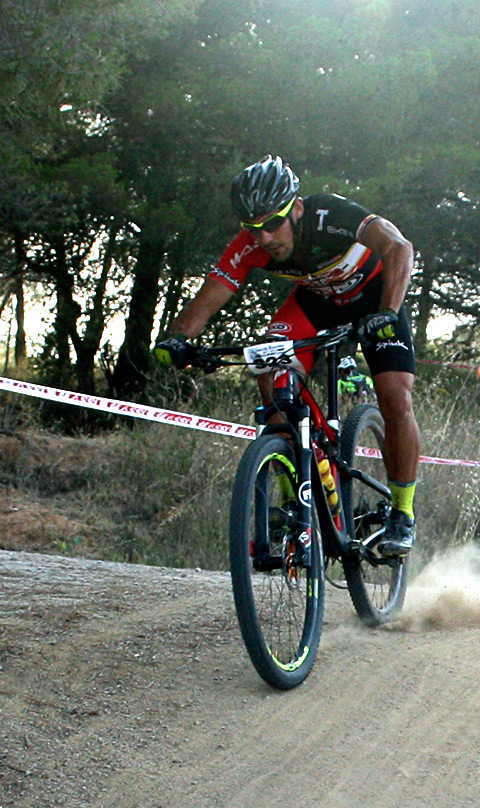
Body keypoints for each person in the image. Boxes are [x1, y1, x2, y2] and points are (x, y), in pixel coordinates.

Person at [154, 154, 420, 556]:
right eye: (252, 228)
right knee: (270, 366)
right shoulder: (251, 245)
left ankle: (402, 513)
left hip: (374, 298)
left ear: (296, 209)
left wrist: (387, 311)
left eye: (271, 224)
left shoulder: (331, 215)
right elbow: (211, 296)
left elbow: (399, 247)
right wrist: (176, 338)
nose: (262, 237)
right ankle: (292, 495)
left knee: (395, 397)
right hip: (316, 303)